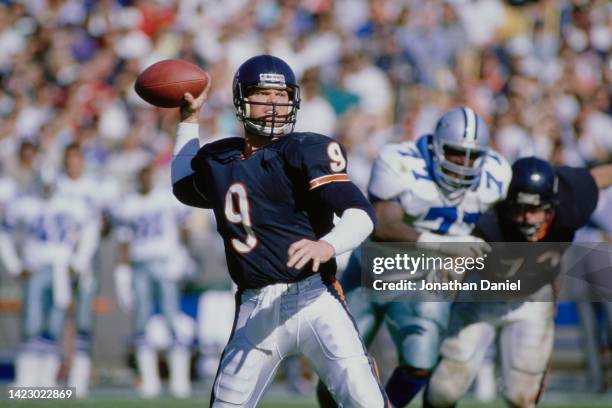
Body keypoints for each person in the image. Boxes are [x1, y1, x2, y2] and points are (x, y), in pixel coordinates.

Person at [171, 54, 388, 407]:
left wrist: (328, 246)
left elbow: (360, 214)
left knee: (367, 403)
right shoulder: (219, 158)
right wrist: (189, 120)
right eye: (263, 94)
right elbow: (182, 185)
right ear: (242, 99)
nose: (274, 103)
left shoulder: (306, 149)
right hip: (255, 305)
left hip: (314, 298)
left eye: (282, 95)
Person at [316, 106, 512, 408]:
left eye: (474, 156)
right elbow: (382, 224)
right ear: (436, 146)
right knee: (340, 360)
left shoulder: (497, 174)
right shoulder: (401, 160)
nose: (465, 164)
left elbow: (493, 235)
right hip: (376, 267)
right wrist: (445, 245)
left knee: (421, 359)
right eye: (457, 153)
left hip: (428, 276)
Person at [425, 157, 612, 408]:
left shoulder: (573, 197)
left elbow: (597, 178)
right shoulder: (487, 216)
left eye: (535, 210)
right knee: (445, 388)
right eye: (519, 209)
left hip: (532, 298)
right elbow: (456, 262)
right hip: (484, 292)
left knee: (521, 395)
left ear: (553, 205)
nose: (526, 218)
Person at [0, 173, 98, 387]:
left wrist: (78, 262)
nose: (46, 188)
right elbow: (4, 231)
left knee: (54, 324)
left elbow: (92, 228)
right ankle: (27, 379)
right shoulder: (25, 204)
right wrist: (15, 265)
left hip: (60, 270)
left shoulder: (70, 204)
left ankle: (47, 380)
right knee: (31, 323)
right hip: (35, 268)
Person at [112, 163, 194, 398]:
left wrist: (182, 255)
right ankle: (149, 381)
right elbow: (124, 241)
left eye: (148, 175)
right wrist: (122, 273)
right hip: (140, 265)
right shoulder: (129, 204)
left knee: (172, 318)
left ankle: (180, 379)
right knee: (140, 321)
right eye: (142, 175)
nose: (146, 179)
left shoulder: (166, 198)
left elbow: (184, 227)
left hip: (165, 261)